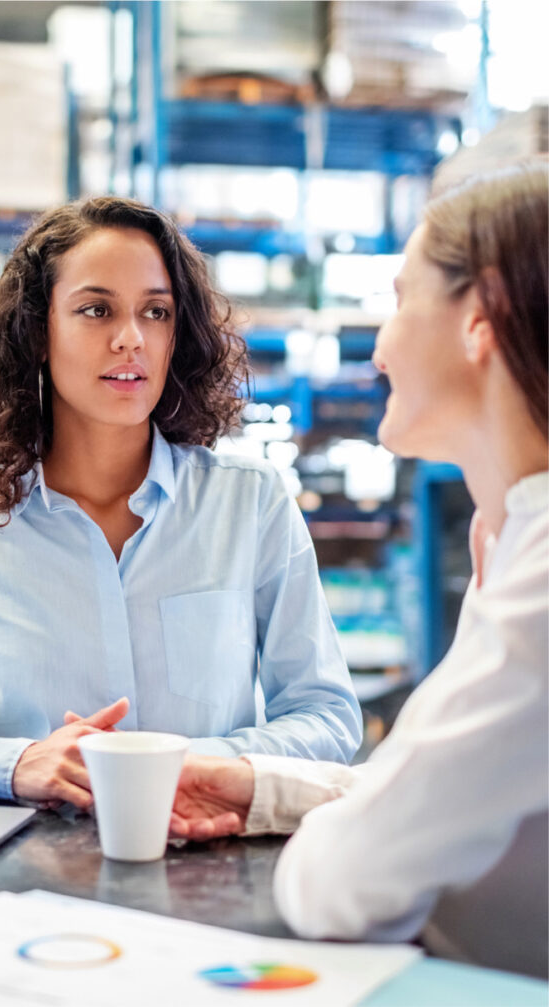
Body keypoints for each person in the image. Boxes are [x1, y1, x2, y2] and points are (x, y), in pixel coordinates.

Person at [0, 196, 362, 809]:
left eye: (156, 312)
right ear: (37, 333)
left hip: (213, 858)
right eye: (96, 310)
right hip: (32, 866)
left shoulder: (250, 505)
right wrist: (15, 764)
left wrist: (192, 767)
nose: (131, 339)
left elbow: (326, 716)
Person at [168, 162, 548, 979]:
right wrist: (258, 784)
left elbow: (342, 885)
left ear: (483, 318)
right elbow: (437, 794)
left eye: (401, 302)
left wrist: (313, 823)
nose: (377, 348)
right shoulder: (510, 535)